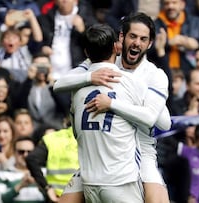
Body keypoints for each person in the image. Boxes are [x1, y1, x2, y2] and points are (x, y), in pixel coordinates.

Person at [53, 12, 171, 203]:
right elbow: (59, 84)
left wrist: (113, 104)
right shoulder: (103, 61)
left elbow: (163, 123)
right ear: (121, 38)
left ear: (149, 44)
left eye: (143, 39)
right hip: (96, 154)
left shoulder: (152, 76)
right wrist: (90, 77)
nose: (137, 43)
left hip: (139, 151)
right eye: (133, 36)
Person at [70, 23, 148, 203]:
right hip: (121, 181)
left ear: (86, 53)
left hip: (90, 183)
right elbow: (155, 120)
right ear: (116, 47)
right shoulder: (131, 82)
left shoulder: (76, 89)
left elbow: (76, 133)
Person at [25, 126, 78, 202]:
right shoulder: (92, 138)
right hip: (80, 196)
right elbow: (31, 159)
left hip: (57, 197)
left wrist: (47, 187)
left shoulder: (53, 138)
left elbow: (31, 159)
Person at [0, 136, 45, 203]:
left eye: (30, 152)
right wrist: (20, 186)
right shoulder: (3, 175)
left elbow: (55, 199)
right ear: (14, 153)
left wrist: (40, 184)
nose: (25, 155)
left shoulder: (45, 173)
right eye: (21, 152)